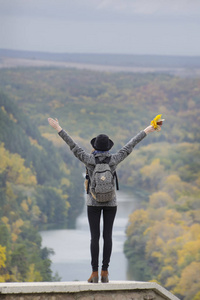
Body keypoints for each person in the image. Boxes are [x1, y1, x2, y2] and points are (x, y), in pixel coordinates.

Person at [48, 117, 156, 283]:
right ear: (108, 147)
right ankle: (105, 271)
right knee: (108, 237)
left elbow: (72, 145)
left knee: (95, 238)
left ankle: (94, 273)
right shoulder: (114, 159)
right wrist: (148, 130)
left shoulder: (88, 159)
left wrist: (58, 128)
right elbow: (131, 145)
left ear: (94, 146)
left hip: (93, 203)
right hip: (111, 202)